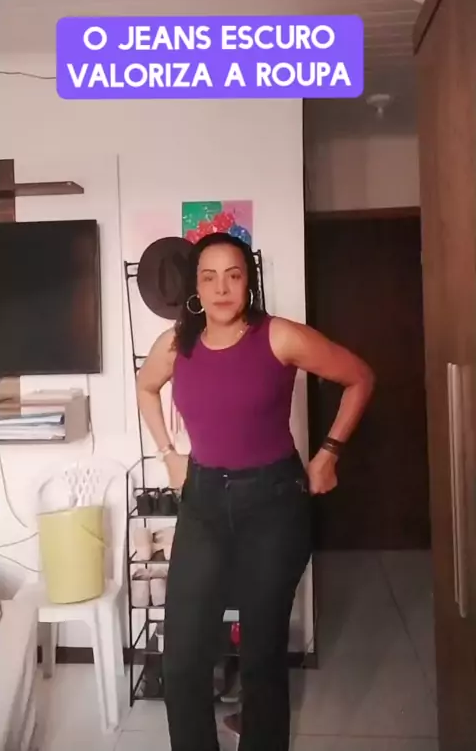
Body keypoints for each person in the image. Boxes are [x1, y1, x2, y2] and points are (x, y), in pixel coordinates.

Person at [137, 232, 375, 751]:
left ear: (249, 281)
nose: (221, 288)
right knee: (182, 658)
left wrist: (328, 453)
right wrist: (168, 453)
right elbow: (145, 386)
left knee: (262, 659)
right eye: (209, 277)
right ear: (195, 287)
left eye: (233, 275)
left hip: (273, 504)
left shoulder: (279, 336)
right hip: (202, 503)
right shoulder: (176, 344)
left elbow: (359, 377)